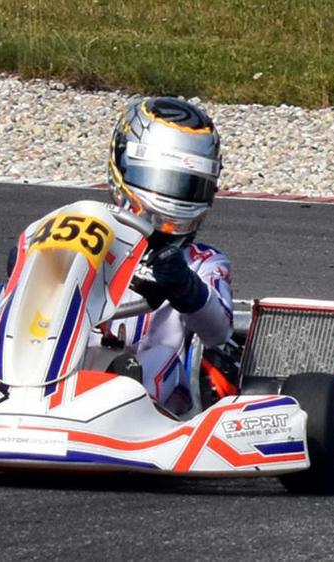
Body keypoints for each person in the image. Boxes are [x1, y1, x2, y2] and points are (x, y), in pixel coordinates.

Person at [100, 96, 234, 415]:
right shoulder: (89, 235)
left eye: (187, 185)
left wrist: (186, 288)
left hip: (154, 393)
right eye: (163, 180)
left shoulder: (203, 262)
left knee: (156, 356)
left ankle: (127, 394)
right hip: (73, 366)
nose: (173, 195)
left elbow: (218, 334)